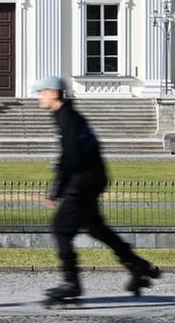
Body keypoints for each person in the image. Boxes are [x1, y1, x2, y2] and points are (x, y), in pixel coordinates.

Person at [38, 76, 160, 305]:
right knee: (96, 228)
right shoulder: (68, 116)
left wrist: (56, 188)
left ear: (54, 93)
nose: (39, 97)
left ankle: (71, 283)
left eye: (42, 92)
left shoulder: (66, 117)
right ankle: (137, 265)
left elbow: (71, 157)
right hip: (92, 178)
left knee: (61, 229)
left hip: (82, 181)